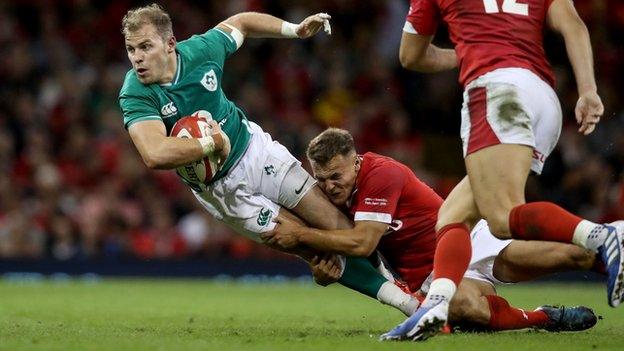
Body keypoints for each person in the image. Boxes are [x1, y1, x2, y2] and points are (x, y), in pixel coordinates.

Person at [118, 4, 419, 316]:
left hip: (255, 151)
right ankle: (408, 305)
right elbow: (154, 153)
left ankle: (410, 283)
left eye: (145, 46)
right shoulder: (136, 92)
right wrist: (213, 142)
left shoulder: (201, 51)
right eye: (130, 49)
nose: (137, 57)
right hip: (223, 193)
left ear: (169, 44)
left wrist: (294, 29)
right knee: (313, 249)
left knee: (333, 222)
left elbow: (242, 22)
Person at [385, 0, 624, 340]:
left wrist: (465, 52)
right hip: (543, 97)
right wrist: (587, 90)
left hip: (497, 91)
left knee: (500, 216)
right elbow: (573, 24)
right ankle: (434, 307)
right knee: (454, 214)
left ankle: (603, 235)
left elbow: (411, 56)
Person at [262, 127, 598, 334]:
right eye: (320, 179)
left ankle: (613, 252)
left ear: (356, 161)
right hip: (431, 275)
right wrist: (322, 272)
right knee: (466, 306)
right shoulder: (329, 199)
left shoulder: (380, 174)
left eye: (336, 176)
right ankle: (544, 318)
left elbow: (362, 243)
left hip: (469, 240)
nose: (329, 186)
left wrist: (300, 235)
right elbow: (338, 255)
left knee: (572, 254)